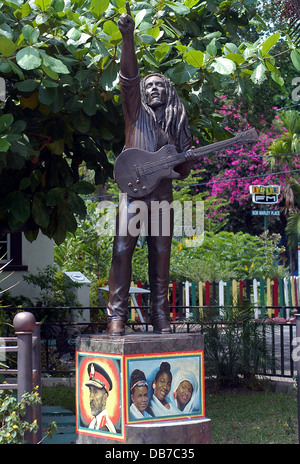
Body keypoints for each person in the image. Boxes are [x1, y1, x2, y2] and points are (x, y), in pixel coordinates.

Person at [106, 2, 193, 336]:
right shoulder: (135, 112)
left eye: (159, 85)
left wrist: (184, 162)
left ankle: (160, 316)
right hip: (133, 193)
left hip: (162, 195)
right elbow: (129, 77)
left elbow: (183, 172)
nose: (153, 88)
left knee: (161, 254)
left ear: (168, 91)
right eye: (150, 85)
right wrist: (128, 36)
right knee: (121, 249)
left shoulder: (177, 124)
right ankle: (117, 316)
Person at [85, 362, 116, 432]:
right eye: (90, 391)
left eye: (95, 391)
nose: (91, 398)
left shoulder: (105, 427)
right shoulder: (93, 423)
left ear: (105, 398)